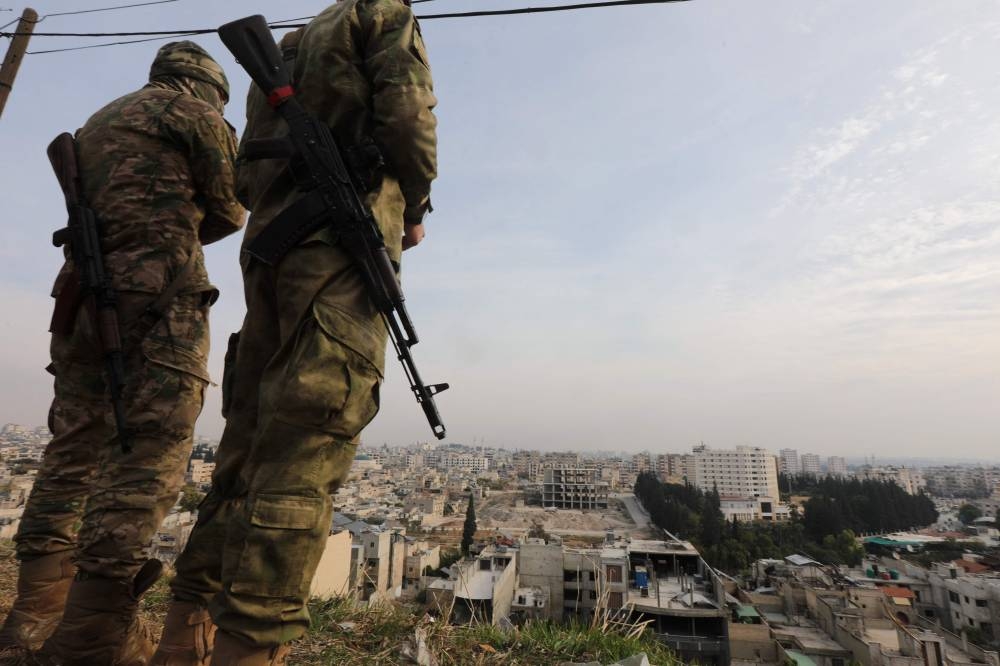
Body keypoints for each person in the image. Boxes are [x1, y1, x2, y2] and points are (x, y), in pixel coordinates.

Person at [152, 1, 437, 664]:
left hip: (269, 258)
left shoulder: (282, 51)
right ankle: (248, 647)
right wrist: (414, 208)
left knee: (246, 452)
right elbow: (407, 120)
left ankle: (181, 631)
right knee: (305, 447)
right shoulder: (380, 13)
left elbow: (250, 172)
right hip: (336, 252)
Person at [0, 42, 243, 665]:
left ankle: (34, 613)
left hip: (80, 299)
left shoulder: (99, 122)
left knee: (72, 450)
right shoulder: (195, 118)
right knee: (147, 454)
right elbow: (230, 207)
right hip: (157, 299)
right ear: (208, 89)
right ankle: (93, 633)